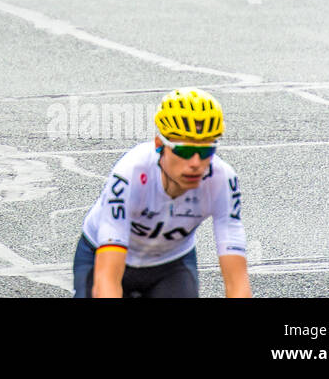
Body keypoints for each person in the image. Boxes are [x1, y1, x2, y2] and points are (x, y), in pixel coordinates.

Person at [74, 88, 250, 298]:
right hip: (104, 254)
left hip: (170, 264)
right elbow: (107, 280)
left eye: (206, 151)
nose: (195, 163)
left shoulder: (222, 180)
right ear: (159, 145)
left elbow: (238, 283)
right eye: (184, 151)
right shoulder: (131, 173)